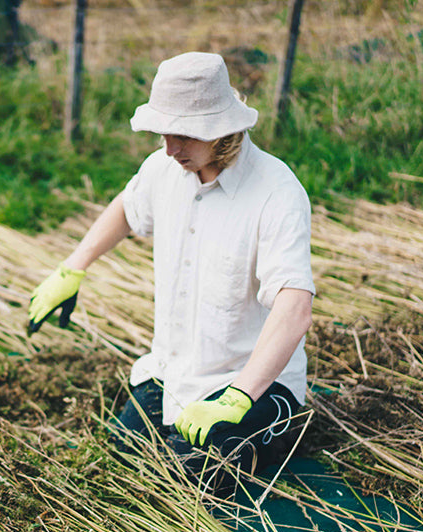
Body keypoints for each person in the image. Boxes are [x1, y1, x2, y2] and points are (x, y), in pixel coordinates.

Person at [27, 52, 315, 496]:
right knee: (122, 456)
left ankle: (270, 420)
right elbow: (127, 206)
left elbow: (294, 307)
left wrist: (239, 396)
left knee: (197, 476)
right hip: (175, 371)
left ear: (221, 129)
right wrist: (73, 269)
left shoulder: (276, 192)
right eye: (165, 133)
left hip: (250, 381)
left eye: (184, 136)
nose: (170, 148)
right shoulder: (164, 169)